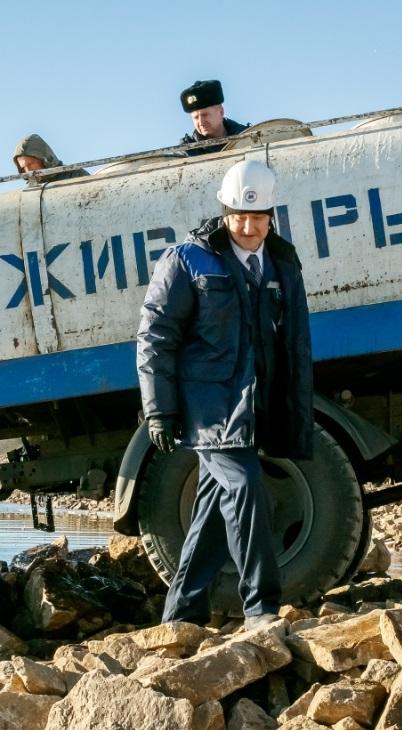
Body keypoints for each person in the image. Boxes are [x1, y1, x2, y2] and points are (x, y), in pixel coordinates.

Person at [137, 158, 314, 628]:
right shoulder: (187, 259)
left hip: (251, 405)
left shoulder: (282, 261)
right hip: (208, 408)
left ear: (272, 215)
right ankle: (261, 607)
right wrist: (160, 410)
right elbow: (155, 337)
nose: (248, 227)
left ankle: (181, 616)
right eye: (239, 216)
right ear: (224, 210)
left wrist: (291, 407)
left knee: (215, 508)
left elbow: (293, 340)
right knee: (247, 487)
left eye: (258, 218)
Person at [178, 79, 248, 157]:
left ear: (221, 112)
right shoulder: (187, 150)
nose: (201, 122)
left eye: (205, 115)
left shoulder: (249, 137)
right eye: (196, 117)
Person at [13, 134, 89, 185]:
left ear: (43, 159)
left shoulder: (76, 175)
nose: (28, 170)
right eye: (23, 168)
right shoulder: (32, 189)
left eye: (30, 164)